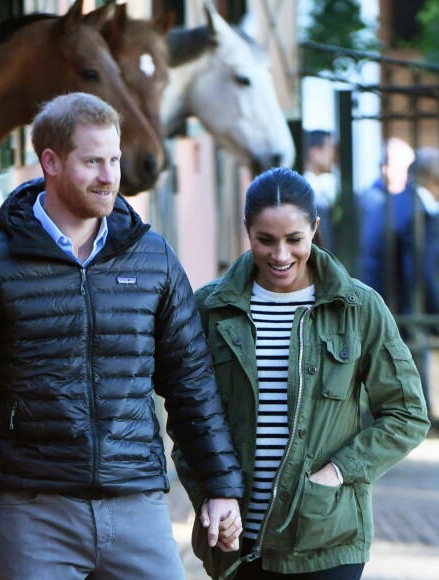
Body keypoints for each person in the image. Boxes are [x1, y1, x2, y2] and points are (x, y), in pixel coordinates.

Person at [0, 92, 245, 578]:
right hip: (35, 512)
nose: (110, 176)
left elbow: (191, 379)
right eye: (93, 161)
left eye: (113, 159)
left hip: (137, 504)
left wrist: (221, 484)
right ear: (50, 161)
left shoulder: (152, 257)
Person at [173, 167, 430, 579]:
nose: (280, 255)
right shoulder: (209, 308)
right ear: (246, 230)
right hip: (237, 543)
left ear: (314, 228)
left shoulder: (358, 308)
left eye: (294, 240)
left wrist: (338, 472)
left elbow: (407, 413)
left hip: (327, 538)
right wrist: (208, 495)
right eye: (265, 240)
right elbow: (189, 418)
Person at [357, 137, 439, 416]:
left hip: (381, 298)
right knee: (409, 367)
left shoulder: (395, 203)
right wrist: (432, 310)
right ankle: (418, 416)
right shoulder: (419, 211)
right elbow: (418, 270)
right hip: (402, 304)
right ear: (433, 179)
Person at [302, 130, 338, 251]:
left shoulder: (326, 188)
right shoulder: (304, 193)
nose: (333, 156)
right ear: (314, 153)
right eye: (329, 150)